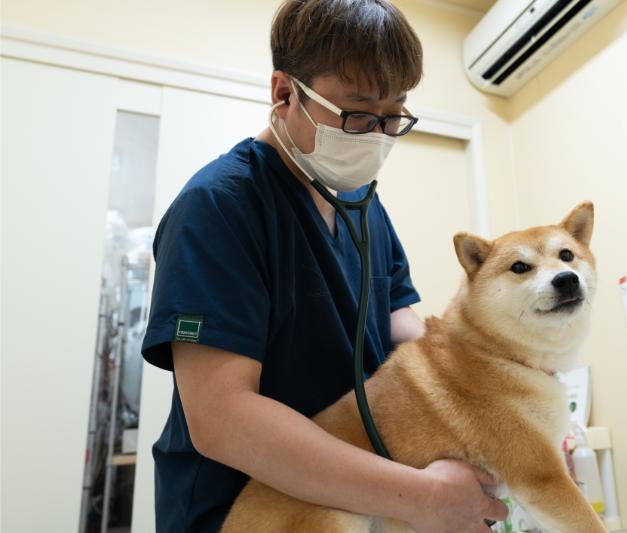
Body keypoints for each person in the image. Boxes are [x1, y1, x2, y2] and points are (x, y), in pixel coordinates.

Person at [140, 0, 509, 531]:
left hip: (346, 505)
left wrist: (492, 368)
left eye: (394, 115)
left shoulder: (360, 203)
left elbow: (395, 323)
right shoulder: (221, 205)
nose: (378, 134)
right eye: (358, 114)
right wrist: (422, 498)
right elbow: (222, 418)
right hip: (242, 512)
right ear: (285, 92)